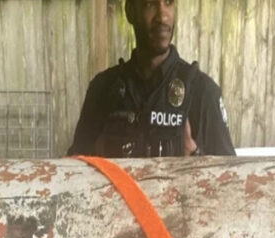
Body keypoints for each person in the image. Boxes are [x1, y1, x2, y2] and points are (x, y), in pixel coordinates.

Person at [68, 0, 236, 158]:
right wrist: (95, 156)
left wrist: (195, 155)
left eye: (168, 2)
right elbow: (74, 170)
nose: (162, 17)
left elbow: (231, 176)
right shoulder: (102, 89)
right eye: (150, 4)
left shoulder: (203, 92)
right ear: (130, 11)